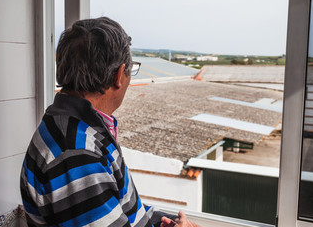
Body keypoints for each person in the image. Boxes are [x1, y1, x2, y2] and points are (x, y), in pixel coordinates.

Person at [20, 17, 198, 227]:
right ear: (119, 75)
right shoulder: (77, 155)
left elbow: (119, 208)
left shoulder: (77, 128)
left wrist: (160, 222)